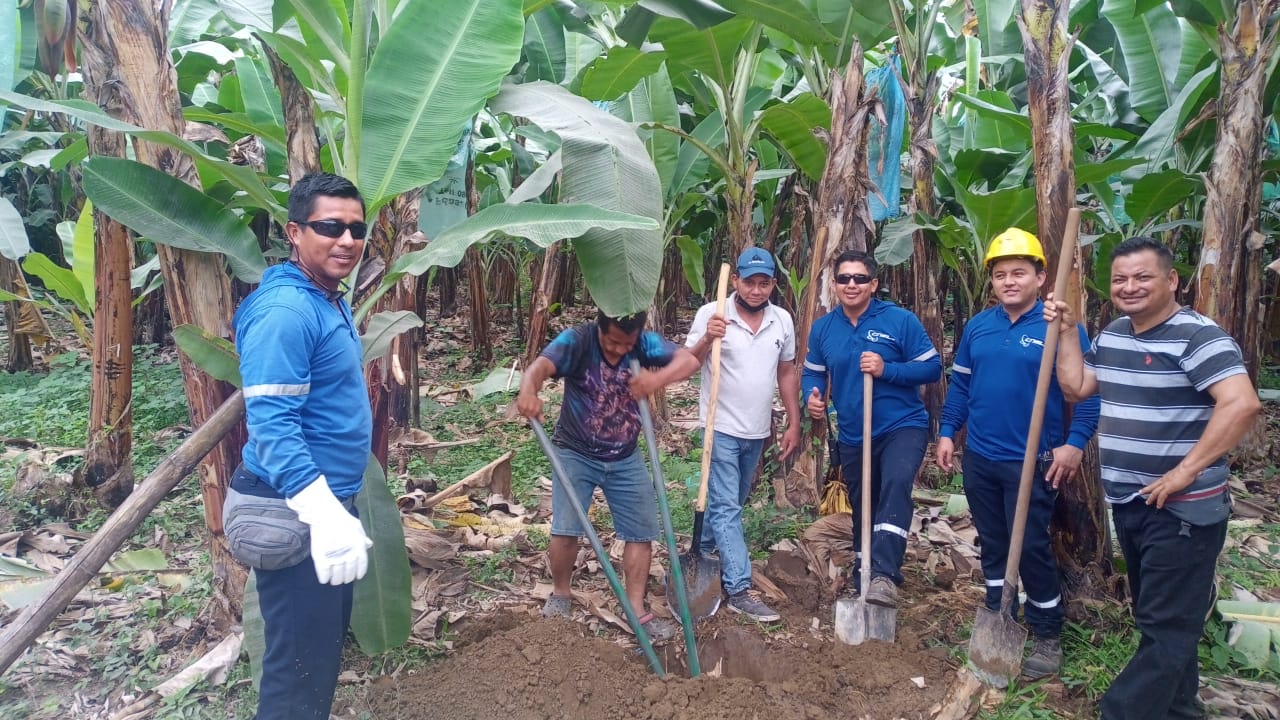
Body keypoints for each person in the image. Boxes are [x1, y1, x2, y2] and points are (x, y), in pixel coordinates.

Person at [1044, 237, 1261, 719]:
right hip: (1131, 502)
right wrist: (1068, 331)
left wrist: (1185, 471)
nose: (1130, 287)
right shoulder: (1115, 334)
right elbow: (1076, 387)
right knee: (1161, 619)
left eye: (1143, 277)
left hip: (1183, 510)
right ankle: (1180, 711)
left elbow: (1242, 403)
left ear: (1172, 280)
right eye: (1120, 279)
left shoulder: (1197, 337)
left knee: (1167, 627)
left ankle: (1121, 712)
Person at [233, 173, 373, 719]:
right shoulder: (286, 312)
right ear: (295, 232)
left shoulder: (324, 298)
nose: (347, 240)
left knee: (315, 658)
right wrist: (325, 514)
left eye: (356, 229)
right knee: (296, 674)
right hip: (291, 507)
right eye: (330, 227)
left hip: (322, 503)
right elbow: (272, 424)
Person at [936, 228, 1100, 679]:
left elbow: (1087, 394)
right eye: (1001, 274)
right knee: (992, 540)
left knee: (1029, 544)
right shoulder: (979, 326)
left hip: (1032, 458)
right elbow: (962, 386)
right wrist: (948, 432)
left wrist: (1075, 443)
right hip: (981, 455)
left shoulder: (1059, 327)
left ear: (1041, 277)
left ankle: (1047, 632)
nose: (1009, 281)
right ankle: (998, 610)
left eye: (1019, 273)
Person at [517, 310, 700, 641]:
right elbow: (539, 367)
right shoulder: (578, 340)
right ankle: (561, 593)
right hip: (575, 452)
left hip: (625, 455)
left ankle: (635, 608)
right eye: (612, 341)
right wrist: (529, 390)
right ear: (600, 327)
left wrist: (656, 379)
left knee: (641, 532)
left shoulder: (643, 344)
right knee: (566, 529)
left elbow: (689, 361)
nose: (619, 349)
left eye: (626, 344)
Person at [801, 250, 942, 608]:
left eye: (860, 278)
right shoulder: (824, 328)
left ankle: (884, 574)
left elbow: (931, 368)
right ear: (834, 284)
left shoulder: (899, 320)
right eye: (844, 278)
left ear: (873, 284)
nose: (851, 285)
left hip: (901, 426)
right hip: (853, 432)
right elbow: (813, 373)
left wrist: (886, 369)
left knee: (896, 483)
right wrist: (812, 397)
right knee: (865, 501)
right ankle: (865, 567)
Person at [685, 247, 802, 622]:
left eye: (763, 283)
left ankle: (702, 554)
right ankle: (739, 588)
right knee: (726, 508)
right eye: (749, 282)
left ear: (773, 284)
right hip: (719, 426)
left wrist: (793, 421)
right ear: (735, 281)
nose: (755, 290)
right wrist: (707, 338)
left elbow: (786, 372)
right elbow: (688, 364)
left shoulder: (782, 320)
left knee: (732, 501)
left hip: (757, 430)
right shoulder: (713, 313)